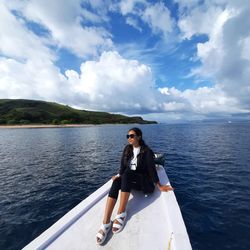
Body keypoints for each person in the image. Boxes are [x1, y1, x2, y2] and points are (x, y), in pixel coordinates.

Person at [96, 127, 173, 245]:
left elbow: (152, 170)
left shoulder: (146, 151)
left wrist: (159, 185)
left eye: (132, 136)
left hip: (145, 183)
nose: (129, 138)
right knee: (117, 181)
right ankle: (106, 222)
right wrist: (118, 175)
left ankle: (121, 213)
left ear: (139, 137)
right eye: (128, 136)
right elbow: (122, 165)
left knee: (126, 175)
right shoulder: (127, 149)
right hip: (131, 180)